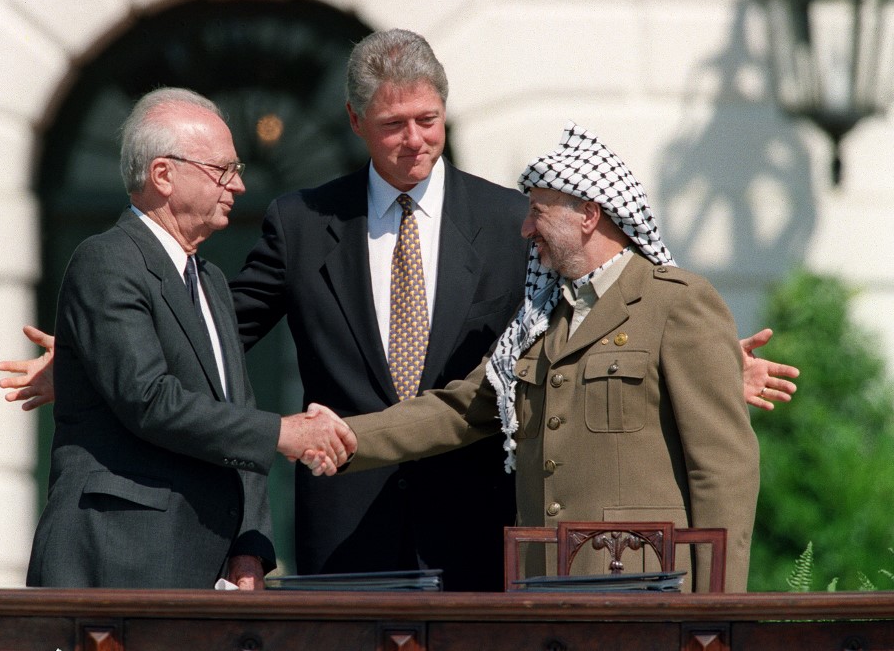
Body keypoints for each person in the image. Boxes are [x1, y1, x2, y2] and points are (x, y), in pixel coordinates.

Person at [0, 31, 798, 591]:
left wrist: (716, 364)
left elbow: (603, 331)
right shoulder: (303, 220)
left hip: (490, 534)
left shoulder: (502, 216)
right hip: (349, 532)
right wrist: (87, 361)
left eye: (429, 120)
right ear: (356, 124)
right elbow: (211, 336)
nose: (415, 140)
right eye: (393, 124)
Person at [316, 122, 762, 593]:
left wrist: (719, 608)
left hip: (643, 587)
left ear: (589, 215)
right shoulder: (538, 319)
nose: (526, 230)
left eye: (537, 213)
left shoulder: (676, 302)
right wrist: (345, 437)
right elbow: (460, 408)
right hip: (542, 586)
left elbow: (723, 466)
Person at [25, 87, 355, 590]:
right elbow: (150, 399)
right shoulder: (107, 261)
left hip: (202, 571)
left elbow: (234, 407)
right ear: (163, 175)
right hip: (119, 562)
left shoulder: (212, 281)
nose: (239, 186)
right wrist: (283, 433)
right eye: (223, 170)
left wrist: (250, 547)